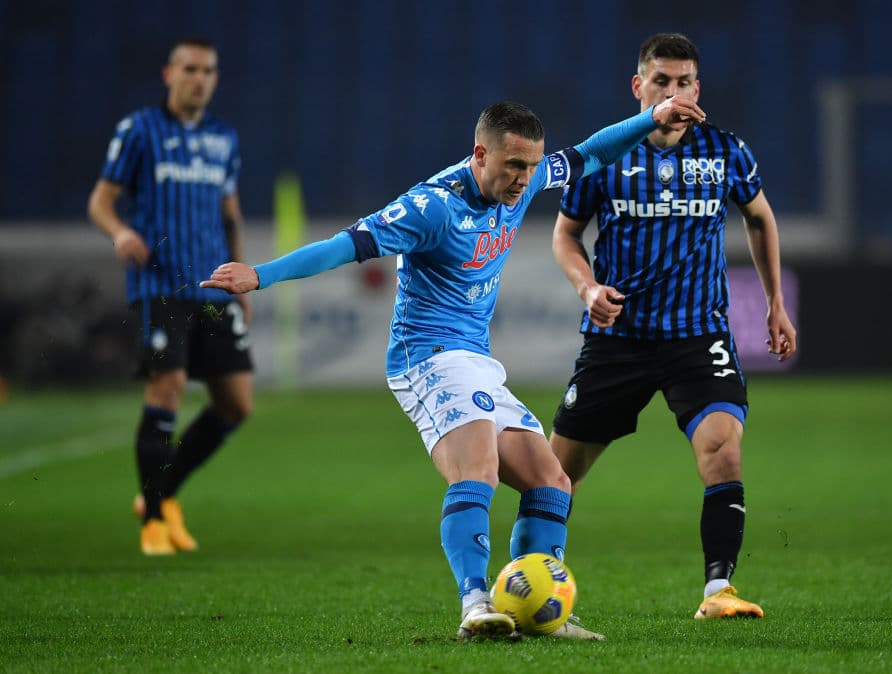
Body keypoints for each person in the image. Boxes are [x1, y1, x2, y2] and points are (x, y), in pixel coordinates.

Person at [201, 96, 704, 639]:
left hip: (476, 359)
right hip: (427, 356)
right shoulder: (431, 207)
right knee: (478, 468)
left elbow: (590, 154)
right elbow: (345, 246)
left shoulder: (528, 178)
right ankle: (474, 601)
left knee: (551, 479)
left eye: (532, 166)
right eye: (513, 165)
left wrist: (651, 120)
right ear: (480, 154)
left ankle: (536, 613)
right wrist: (262, 274)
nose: (524, 179)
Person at [548, 33, 797, 620]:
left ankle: (719, 592)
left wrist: (774, 302)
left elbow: (759, 217)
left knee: (723, 451)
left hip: (697, 335)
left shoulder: (724, 150)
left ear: (698, 88)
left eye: (685, 82)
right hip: (618, 339)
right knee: (554, 477)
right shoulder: (604, 155)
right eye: (662, 81)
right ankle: (536, 585)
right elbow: (565, 234)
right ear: (639, 88)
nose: (675, 92)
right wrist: (587, 289)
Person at [87, 37, 253, 556]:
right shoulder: (138, 130)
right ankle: (154, 519)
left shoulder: (224, 137)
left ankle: (163, 493)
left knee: (236, 404)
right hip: (161, 284)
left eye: (208, 70)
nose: (199, 78)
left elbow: (230, 213)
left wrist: (242, 274)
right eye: (190, 69)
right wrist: (119, 233)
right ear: (169, 74)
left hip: (213, 287)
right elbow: (100, 201)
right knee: (169, 385)